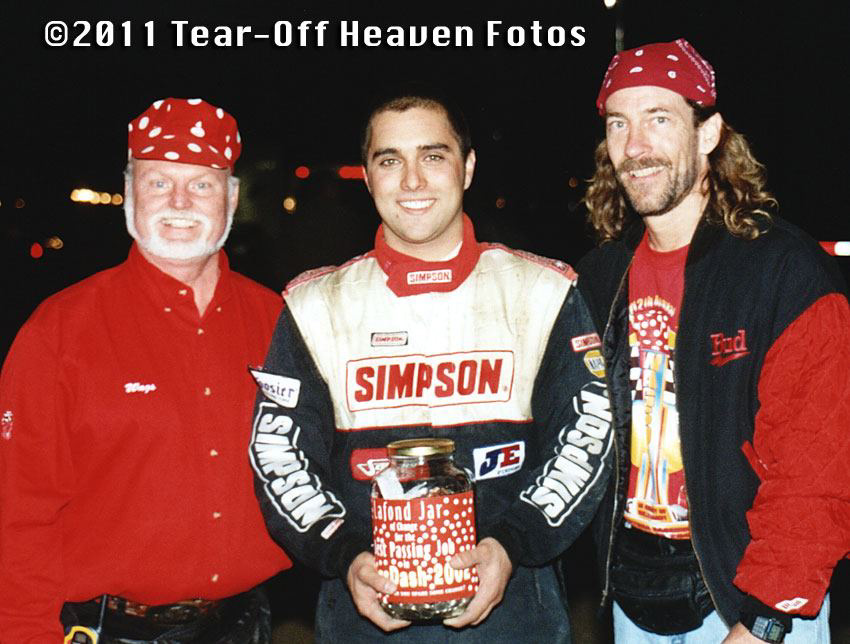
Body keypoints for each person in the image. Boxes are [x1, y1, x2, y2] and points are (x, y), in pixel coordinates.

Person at [248, 88, 613, 642]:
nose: (412, 181)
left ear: (468, 168)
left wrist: (512, 546)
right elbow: (279, 453)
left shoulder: (542, 291)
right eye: (389, 161)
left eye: (433, 156)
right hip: (362, 618)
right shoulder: (315, 305)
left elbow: (588, 436)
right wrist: (345, 555)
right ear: (367, 177)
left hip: (517, 615)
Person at [576, 39, 850, 643]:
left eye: (659, 119)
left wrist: (766, 618)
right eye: (618, 123)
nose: (634, 146)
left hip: (748, 600)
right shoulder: (600, 279)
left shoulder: (784, 273)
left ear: (708, 133)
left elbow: (817, 467)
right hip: (635, 600)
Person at [0, 97, 291, 642]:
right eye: (158, 182)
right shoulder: (59, 331)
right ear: (129, 191)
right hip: (107, 630)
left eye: (201, 184)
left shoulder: (278, 321)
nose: (179, 202)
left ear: (231, 197)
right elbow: (18, 515)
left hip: (246, 625)